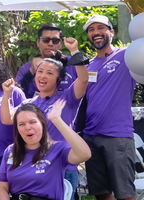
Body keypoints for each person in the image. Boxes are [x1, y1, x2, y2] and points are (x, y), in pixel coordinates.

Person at [80, 14, 137, 200]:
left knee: (125, 194)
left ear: (111, 32)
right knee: (101, 193)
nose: (96, 32)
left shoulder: (126, 55)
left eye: (100, 28)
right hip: (90, 135)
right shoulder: (88, 66)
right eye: (91, 29)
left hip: (118, 136)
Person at [0, 102, 92, 200]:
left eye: (32, 122)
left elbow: (85, 154)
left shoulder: (58, 149)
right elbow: (2, 187)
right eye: (21, 124)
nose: (27, 127)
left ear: (42, 123)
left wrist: (57, 120)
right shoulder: (11, 151)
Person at [15, 24, 79, 98]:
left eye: (55, 41)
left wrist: (75, 51)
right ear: (38, 42)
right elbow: (17, 96)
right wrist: (30, 72)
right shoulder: (26, 68)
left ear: (60, 44)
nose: (50, 44)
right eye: (46, 40)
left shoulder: (73, 64)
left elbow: (85, 87)